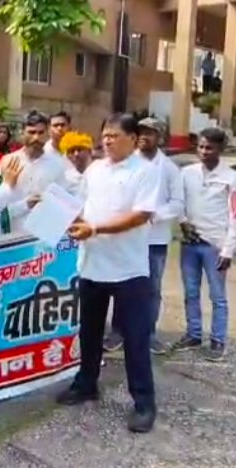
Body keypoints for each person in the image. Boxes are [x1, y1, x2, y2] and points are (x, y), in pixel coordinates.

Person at [61, 112, 162, 434]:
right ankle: (86, 383)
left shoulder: (145, 171)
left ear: (132, 139)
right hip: (93, 264)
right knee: (89, 332)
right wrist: (56, 215)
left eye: (114, 136)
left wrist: (95, 228)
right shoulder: (94, 170)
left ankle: (143, 403)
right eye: (104, 135)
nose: (107, 141)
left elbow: (140, 216)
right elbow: (79, 207)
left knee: (135, 337)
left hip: (129, 269)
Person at [171, 127, 236, 361]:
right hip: (191, 243)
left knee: (217, 296)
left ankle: (218, 340)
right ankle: (193, 334)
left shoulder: (232, 178)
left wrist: (228, 250)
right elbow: (178, 203)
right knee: (191, 292)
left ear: (220, 149)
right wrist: (183, 223)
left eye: (209, 148)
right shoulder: (187, 173)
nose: (203, 152)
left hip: (216, 245)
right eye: (201, 147)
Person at [132, 117, 184, 355]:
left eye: (150, 133)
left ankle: (149, 334)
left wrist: (153, 215)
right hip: (127, 237)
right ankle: (119, 332)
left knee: (152, 290)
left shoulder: (170, 169)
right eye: (141, 132)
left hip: (155, 240)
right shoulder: (127, 162)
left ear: (160, 137)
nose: (144, 136)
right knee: (123, 286)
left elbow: (178, 203)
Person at [3, 110, 74, 232]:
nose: (36, 137)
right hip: (13, 236)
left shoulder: (57, 164)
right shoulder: (9, 161)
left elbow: (63, 204)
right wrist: (25, 204)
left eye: (41, 133)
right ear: (22, 132)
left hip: (44, 236)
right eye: (31, 132)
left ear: (47, 133)